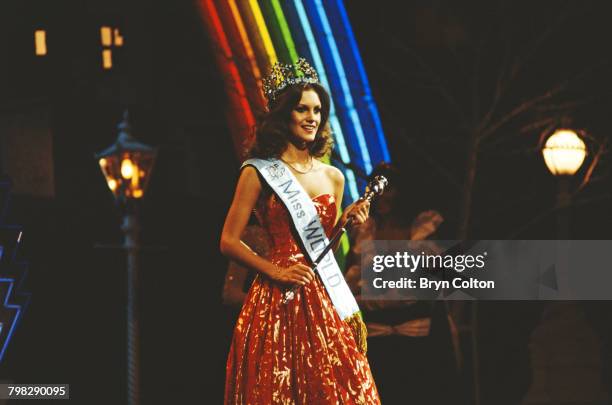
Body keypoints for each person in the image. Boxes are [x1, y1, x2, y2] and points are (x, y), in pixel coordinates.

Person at [220, 59, 380, 404]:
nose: (312, 117)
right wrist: (277, 271)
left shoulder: (333, 177)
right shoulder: (258, 172)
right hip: (276, 297)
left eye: (318, 110)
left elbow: (326, 250)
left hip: (322, 295)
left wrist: (346, 223)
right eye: (301, 109)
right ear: (283, 116)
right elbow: (228, 241)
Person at [345, 163, 461, 404]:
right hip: (375, 337)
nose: (383, 196)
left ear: (402, 191)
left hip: (419, 339)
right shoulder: (364, 230)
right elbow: (352, 279)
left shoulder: (424, 228)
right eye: (377, 188)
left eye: (390, 188)